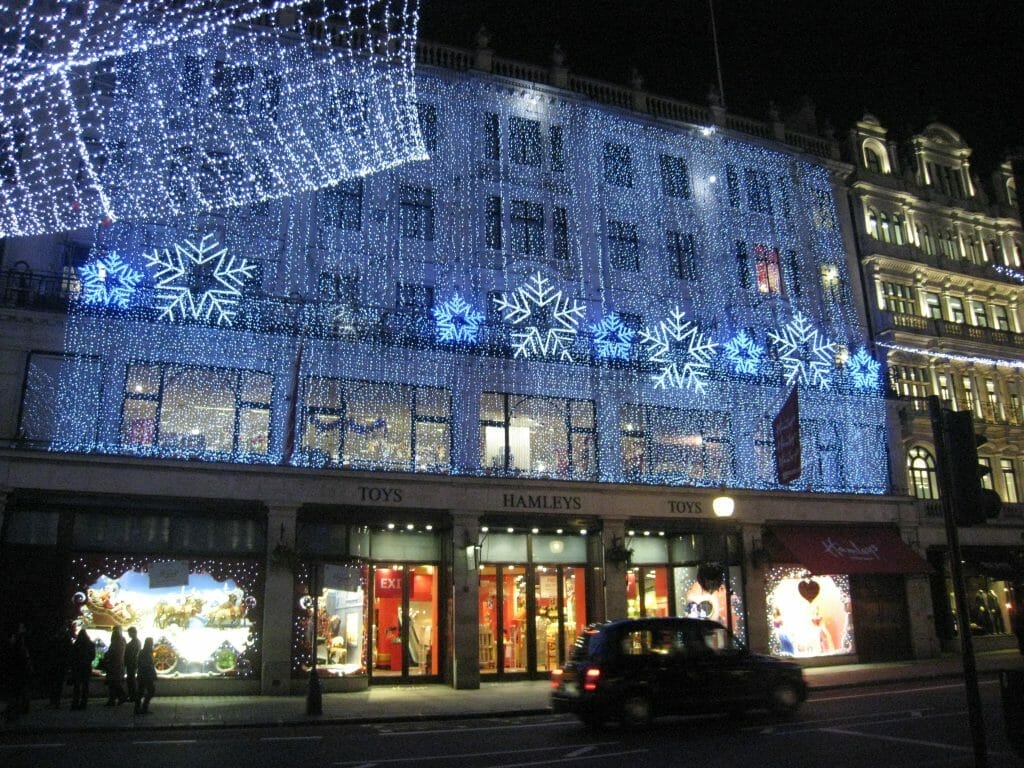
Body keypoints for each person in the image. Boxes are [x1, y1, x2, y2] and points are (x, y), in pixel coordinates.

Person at [3, 624, 33, 722]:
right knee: (17, 694)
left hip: (17, 674)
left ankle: (13, 713)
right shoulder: (20, 648)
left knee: (15, 695)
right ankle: (15, 712)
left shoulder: (16, 648)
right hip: (19, 674)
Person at [43, 623, 72, 709]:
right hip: (60, 665)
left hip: (56, 665)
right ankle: (56, 702)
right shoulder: (66, 640)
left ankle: (54, 701)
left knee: (55, 684)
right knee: (57, 685)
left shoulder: (55, 639)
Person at [70, 626, 95, 710]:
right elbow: (93, 656)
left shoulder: (77, 644)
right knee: (85, 686)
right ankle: (84, 703)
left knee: (77, 686)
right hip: (86, 667)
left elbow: (73, 656)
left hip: (78, 668)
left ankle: (75, 702)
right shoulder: (91, 644)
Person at [104, 625, 127, 706]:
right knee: (115, 683)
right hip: (118, 665)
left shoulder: (116, 642)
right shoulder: (122, 641)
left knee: (113, 683)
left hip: (113, 666)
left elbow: (112, 653)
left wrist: (107, 656)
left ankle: (118, 697)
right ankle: (115, 698)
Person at [134, 637, 156, 714]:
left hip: (141, 675)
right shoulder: (146, 653)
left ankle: (138, 708)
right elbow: (149, 665)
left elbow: (138, 663)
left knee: (140, 691)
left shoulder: (142, 652)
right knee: (151, 690)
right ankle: (144, 707)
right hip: (146, 675)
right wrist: (153, 674)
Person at [124, 627, 140, 705]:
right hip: (132, 663)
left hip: (131, 663)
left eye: (129, 633)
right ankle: (132, 695)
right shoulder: (136, 642)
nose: (129, 634)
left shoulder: (134, 642)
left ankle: (132, 695)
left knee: (131, 679)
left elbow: (132, 654)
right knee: (131, 679)